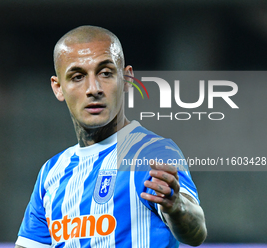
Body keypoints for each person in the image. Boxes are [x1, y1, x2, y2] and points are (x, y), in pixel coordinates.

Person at [15, 25, 207, 248]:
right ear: (58, 88)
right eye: (78, 77)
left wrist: (177, 207)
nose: (93, 88)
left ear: (126, 79)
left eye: (105, 73)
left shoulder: (151, 153)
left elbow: (196, 232)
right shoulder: (51, 173)